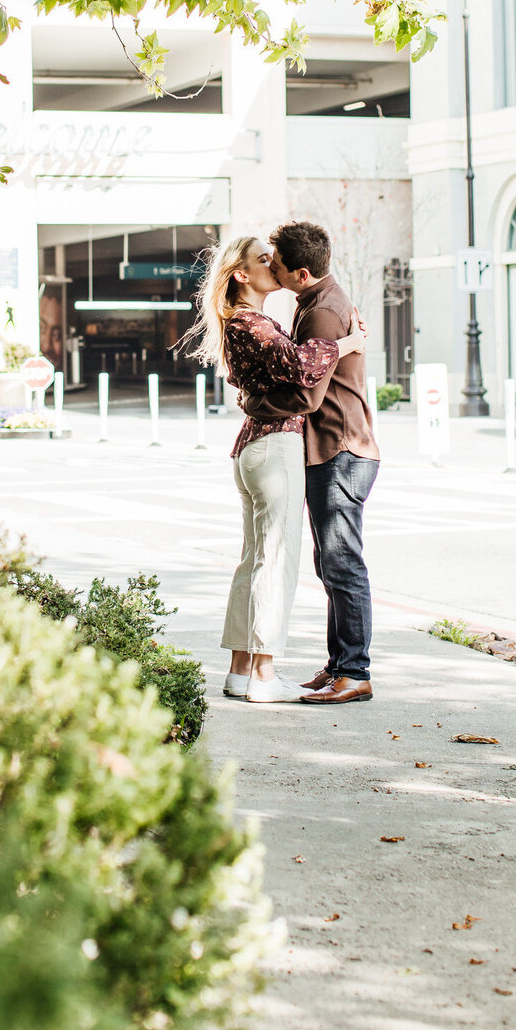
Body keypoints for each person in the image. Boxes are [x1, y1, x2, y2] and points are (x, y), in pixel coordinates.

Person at [190, 235, 367, 703]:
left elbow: (273, 376)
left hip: (257, 448)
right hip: (274, 448)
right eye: (263, 260)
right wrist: (348, 342)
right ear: (241, 275)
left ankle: (241, 671)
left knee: (254, 561)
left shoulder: (249, 321)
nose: (275, 265)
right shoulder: (250, 322)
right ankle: (265, 677)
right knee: (275, 562)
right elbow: (301, 366)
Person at [242, 219, 379, 705]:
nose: (270, 268)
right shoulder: (316, 301)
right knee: (331, 564)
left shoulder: (322, 312)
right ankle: (341, 663)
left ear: (301, 273)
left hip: (338, 450)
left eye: (276, 264)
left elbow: (304, 394)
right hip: (333, 449)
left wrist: (254, 403)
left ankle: (354, 671)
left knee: (342, 564)